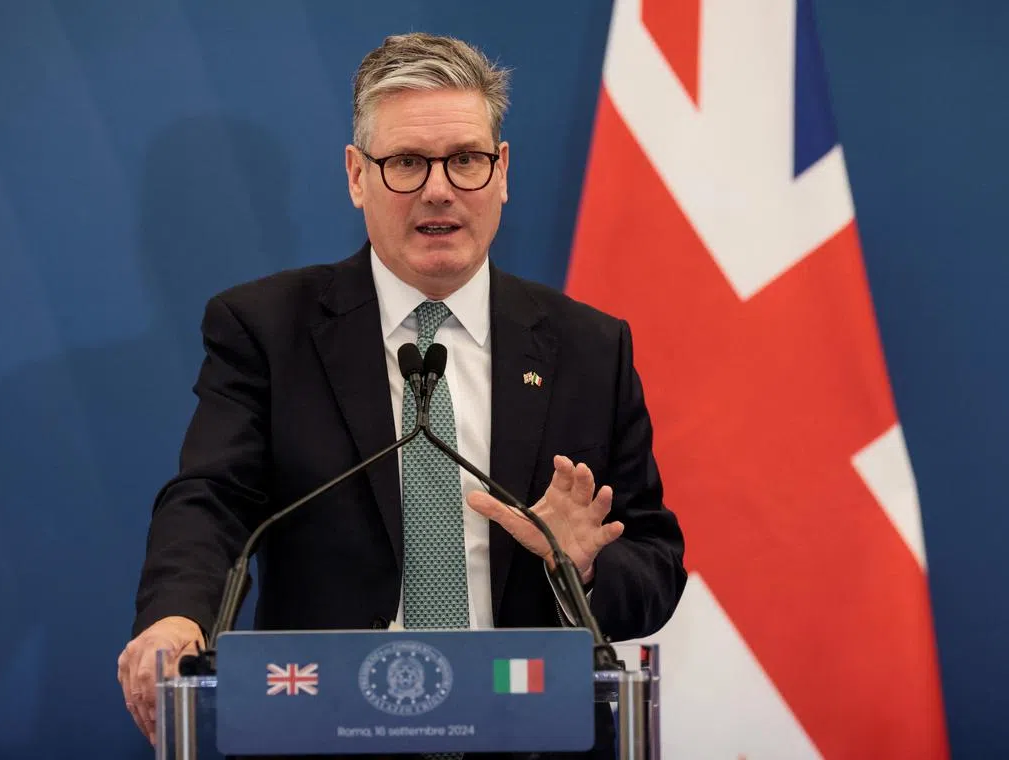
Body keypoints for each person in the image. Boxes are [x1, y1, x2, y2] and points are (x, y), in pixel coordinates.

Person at [117, 31, 687, 753]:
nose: (439, 189)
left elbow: (656, 567)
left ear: (501, 171)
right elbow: (211, 499)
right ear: (357, 175)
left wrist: (582, 564)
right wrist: (175, 616)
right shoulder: (267, 329)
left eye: (466, 160)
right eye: (407, 163)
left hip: (530, 730)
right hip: (329, 729)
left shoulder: (588, 348)